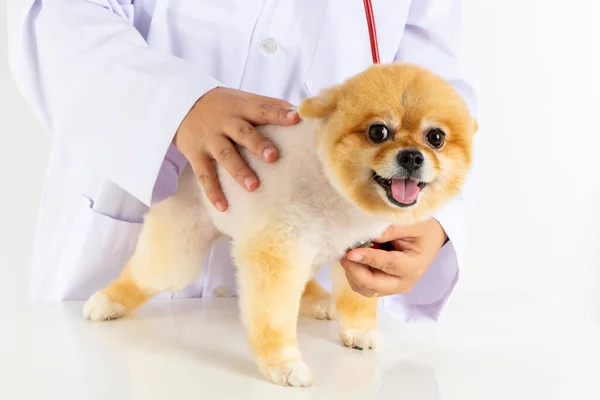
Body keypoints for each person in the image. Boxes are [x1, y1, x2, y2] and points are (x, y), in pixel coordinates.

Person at [7, 0, 477, 322]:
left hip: (316, 273)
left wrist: (434, 222)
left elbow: (440, 93)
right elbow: (61, 15)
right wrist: (175, 104)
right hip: (131, 225)